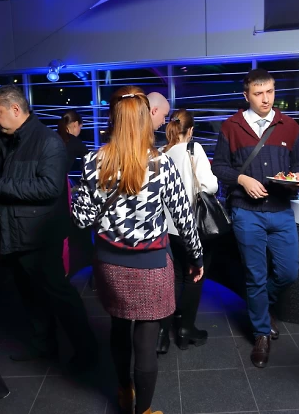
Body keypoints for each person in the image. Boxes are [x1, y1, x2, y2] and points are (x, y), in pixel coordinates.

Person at [72, 86, 203, 414]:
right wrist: (196, 256)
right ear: (146, 120)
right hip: (151, 265)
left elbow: (81, 219)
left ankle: (123, 391)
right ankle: (143, 411)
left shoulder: (93, 161)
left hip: (109, 264)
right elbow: (184, 218)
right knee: (146, 341)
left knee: (118, 327)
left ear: (112, 119)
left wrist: (90, 195)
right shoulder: (161, 164)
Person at [0, 85, 97, 366]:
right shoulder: (11, 140)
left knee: (59, 295)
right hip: (16, 233)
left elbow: (49, 188)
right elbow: (4, 178)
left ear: (15, 109)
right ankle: (44, 346)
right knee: (30, 294)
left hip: (40, 236)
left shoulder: (48, 142)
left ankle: (88, 353)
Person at [212, 68, 299, 368]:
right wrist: (242, 179)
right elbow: (219, 167)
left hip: (280, 210)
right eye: (258, 93)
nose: (266, 99)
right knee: (255, 275)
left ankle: (261, 308)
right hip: (246, 211)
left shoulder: (289, 126)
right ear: (247, 95)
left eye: (270, 92)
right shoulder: (231, 126)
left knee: (289, 272)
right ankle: (261, 333)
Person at [157, 109, 218, 354]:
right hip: (191, 227)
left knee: (173, 277)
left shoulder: (161, 153)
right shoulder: (194, 149)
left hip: (166, 229)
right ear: (190, 130)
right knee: (194, 276)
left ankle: (162, 333)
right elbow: (209, 185)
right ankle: (185, 329)